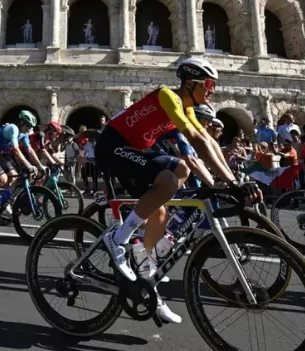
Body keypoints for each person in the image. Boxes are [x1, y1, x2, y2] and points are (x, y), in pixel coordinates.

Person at [95, 58, 261, 324]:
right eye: (208, 84)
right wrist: (230, 184)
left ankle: (147, 285)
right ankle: (119, 237)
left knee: (168, 195)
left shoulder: (189, 107)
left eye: (213, 85)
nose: (212, 90)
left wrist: (231, 180)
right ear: (189, 83)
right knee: (170, 181)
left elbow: (207, 141)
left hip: (137, 150)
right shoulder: (168, 96)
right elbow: (195, 140)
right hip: (113, 146)